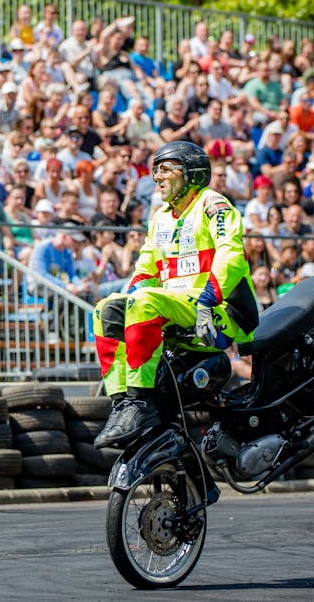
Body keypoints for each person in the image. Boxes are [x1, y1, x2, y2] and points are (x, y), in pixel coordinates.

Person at [93, 141, 259, 449]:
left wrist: (208, 300)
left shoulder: (213, 204)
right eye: (155, 169)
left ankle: (140, 403)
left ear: (191, 174)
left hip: (217, 309)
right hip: (174, 309)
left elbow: (231, 256)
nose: (157, 176)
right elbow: (144, 272)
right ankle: (123, 404)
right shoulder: (160, 217)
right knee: (106, 308)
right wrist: (127, 303)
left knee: (143, 303)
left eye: (166, 169)